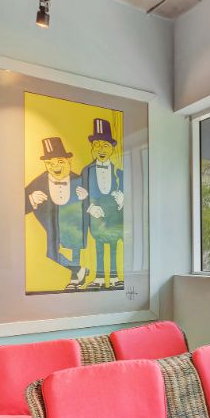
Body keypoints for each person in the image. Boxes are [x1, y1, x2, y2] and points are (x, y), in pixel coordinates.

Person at [25, 136, 88, 291]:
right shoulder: (39, 182)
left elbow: (97, 204)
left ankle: (75, 279)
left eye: (60, 161)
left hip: (73, 225)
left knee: (75, 247)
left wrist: (86, 198)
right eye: (50, 163)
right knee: (52, 255)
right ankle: (78, 269)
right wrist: (31, 199)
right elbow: (18, 205)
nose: (56, 167)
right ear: (45, 164)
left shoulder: (79, 180)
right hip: (52, 226)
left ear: (68, 161)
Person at [81, 118, 125, 290]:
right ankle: (99, 277)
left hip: (114, 215)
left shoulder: (118, 172)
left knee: (113, 246)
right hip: (96, 216)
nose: (101, 150)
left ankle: (114, 277)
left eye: (105, 145)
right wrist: (91, 207)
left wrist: (123, 200)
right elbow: (82, 194)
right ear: (92, 148)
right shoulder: (86, 171)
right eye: (97, 145)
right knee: (99, 246)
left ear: (112, 148)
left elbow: (126, 192)